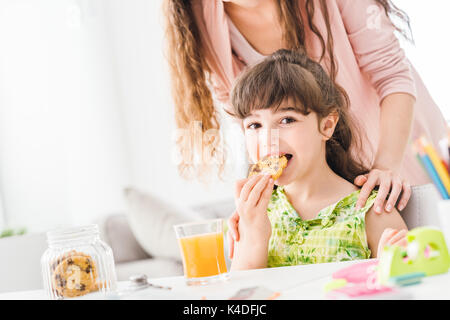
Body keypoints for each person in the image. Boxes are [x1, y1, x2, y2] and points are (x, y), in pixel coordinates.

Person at [164, 0, 448, 217]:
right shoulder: (200, 18)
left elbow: (393, 76)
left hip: (400, 149)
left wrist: (385, 167)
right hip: (331, 182)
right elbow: (248, 119)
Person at [227, 49, 408, 270]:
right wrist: (253, 234)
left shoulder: (372, 211)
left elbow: (413, 285)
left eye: (286, 120)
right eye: (254, 125)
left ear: (326, 126)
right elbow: (242, 301)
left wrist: (391, 268)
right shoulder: (255, 213)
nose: (267, 140)